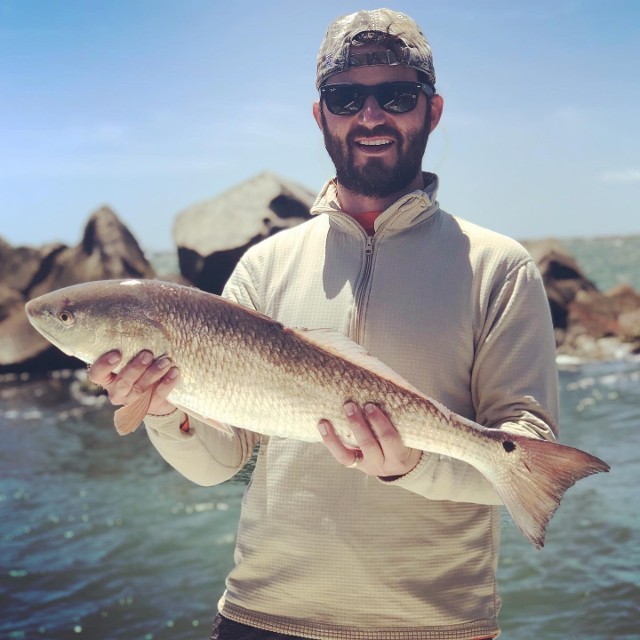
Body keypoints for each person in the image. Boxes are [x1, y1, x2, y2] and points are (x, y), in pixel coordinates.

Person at [88, 8, 559, 640]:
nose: (370, 116)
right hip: (259, 617)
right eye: (345, 97)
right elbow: (218, 460)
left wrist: (409, 462)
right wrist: (165, 409)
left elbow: (522, 455)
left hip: (434, 627)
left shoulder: (499, 266)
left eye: (395, 95)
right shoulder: (264, 265)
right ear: (320, 115)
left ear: (432, 110)